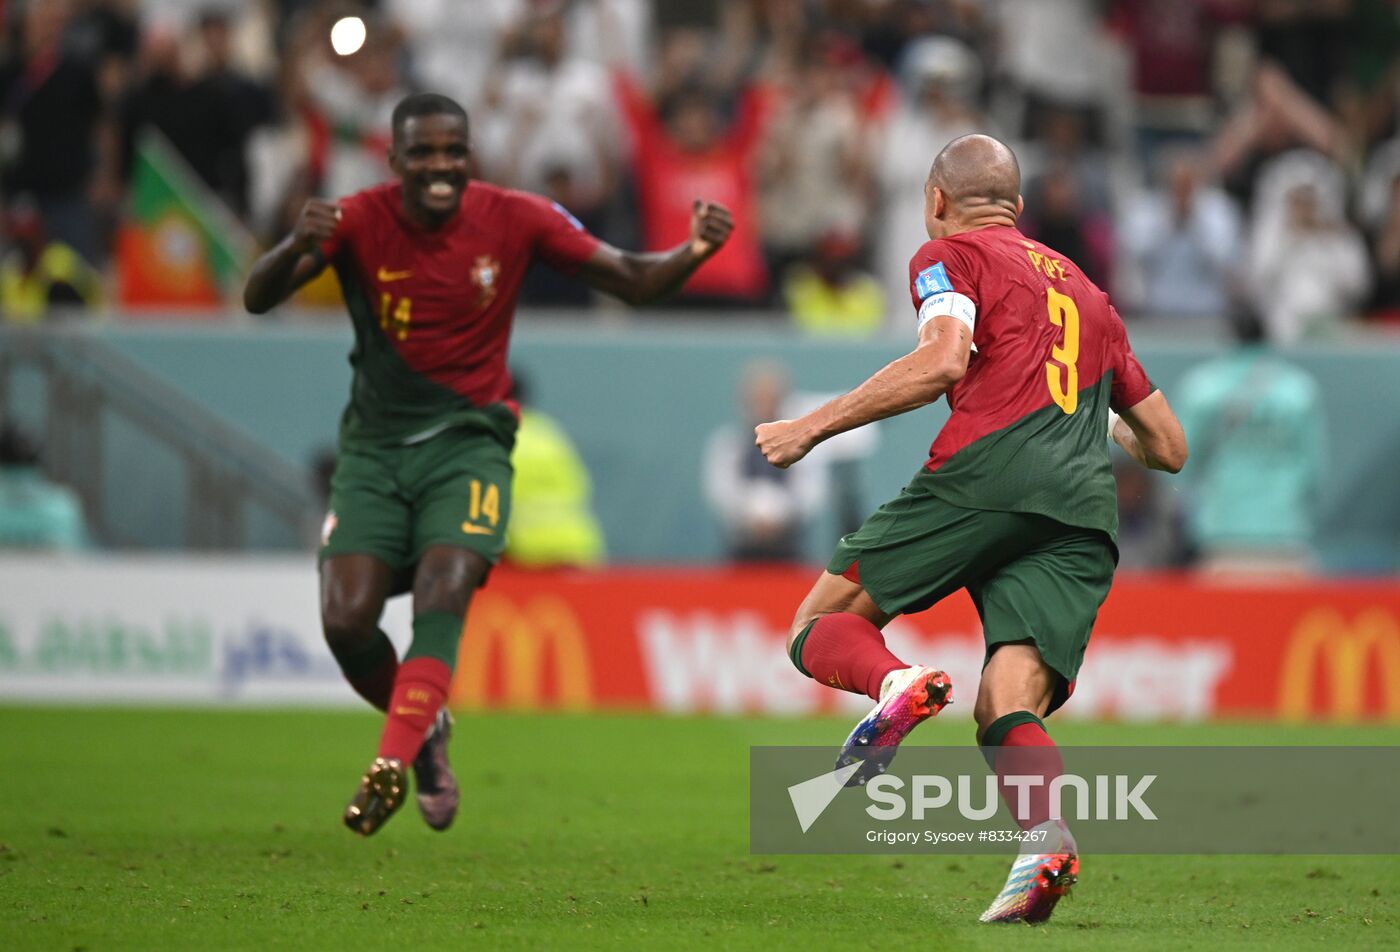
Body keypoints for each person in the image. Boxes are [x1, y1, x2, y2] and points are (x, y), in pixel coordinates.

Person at [243, 92, 732, 837]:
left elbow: (631, 277)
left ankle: (394, 758)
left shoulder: (517, 216)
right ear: (395, 159)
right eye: (424, 153)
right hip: (374, 451)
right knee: (346, 621)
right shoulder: (355, 220)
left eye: (453, 151)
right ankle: (429, 727)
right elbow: (257, 299)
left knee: (446, 585)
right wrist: (289, 245)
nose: (441, 166)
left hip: (468, 444)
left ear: (471, 155)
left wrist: (694, 250)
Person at [755, 135, 1186, 925]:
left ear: (936, 200)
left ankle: (896, 685)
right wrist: (1090, 424)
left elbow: (943, 362)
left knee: (819, 622)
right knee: (1004, 703)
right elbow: (1168, 447)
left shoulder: (947, 256)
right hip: (1084, 509)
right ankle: (1046, 843)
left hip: (988, 472)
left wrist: (811, 427)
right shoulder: (1090, 292)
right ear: (1018, 207)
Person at [1174, 310, 1324, 576]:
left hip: (1223, 533)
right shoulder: (1298, 390)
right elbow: (1314, 469)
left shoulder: (1203, 389)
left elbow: (1179, 460)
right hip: (1285, 532)